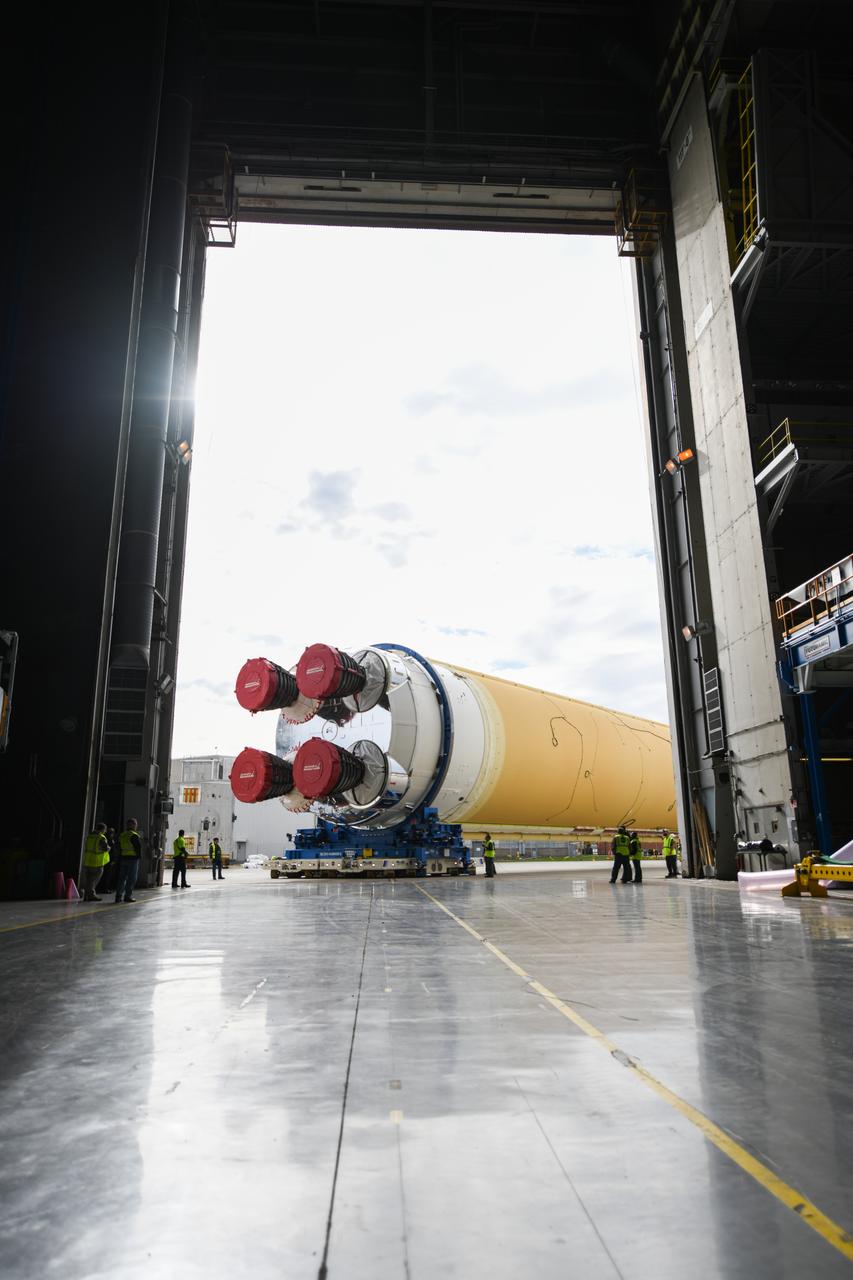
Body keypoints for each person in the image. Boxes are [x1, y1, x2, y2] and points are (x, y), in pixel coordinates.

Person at [115, 818, 142, 903]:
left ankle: (118, 897)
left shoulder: (122, 835)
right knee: (131, 879)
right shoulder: (134, 835)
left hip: (123, 858)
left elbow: (118, 847)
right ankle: (128, 896)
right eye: (135, 824)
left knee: (122, 878)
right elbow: (138, 848)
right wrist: (139, 857)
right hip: (133, 859)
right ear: (133, 825)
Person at [82, 823, 110, 902]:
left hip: (88, 860)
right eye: (105, 829)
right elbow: (105, 848)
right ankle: (91, 895)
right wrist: (109, 848)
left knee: (89, 879)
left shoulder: (90, 836)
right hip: (96, 862)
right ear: (103, 829)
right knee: (93, 879)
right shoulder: (101, 837)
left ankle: (86, 895)